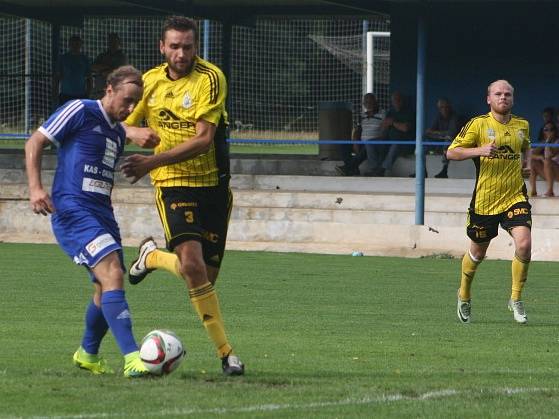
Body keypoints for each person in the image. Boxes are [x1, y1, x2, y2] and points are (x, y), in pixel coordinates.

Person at [121, 16, 244, 376]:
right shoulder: (149, 82)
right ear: (162, 47)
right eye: (174, 46)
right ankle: (227, 355)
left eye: (187, 47)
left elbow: (205, 138)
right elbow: (120, 117)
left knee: (203, 276)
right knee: (192, 267)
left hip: (213, 186)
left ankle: (152, 256)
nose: (181, 53)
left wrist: (150, 159)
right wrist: (134, 132)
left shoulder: (210, 78)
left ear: (195, 48)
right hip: (172, 182)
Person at [25, 65, 151, 377]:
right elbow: (35, 142)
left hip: (101, 214)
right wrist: (36, 188)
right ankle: (134, 358)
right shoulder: (79, 109)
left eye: (137, 103)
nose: (132, 108)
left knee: (104, 284)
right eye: (127, 100)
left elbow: (121, 139)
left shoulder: (117, 132)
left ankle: (88, 353)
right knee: (113, 275)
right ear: (109, 89)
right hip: (73, 210)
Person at [447, 79, 532, 325]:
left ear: (512, 98)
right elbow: (451, 152)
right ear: (489, 99)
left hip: (515, 196)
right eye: (498, 94)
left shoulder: (522, 126)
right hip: (485, 201)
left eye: (507, 94)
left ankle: (515, 298)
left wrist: (525, 166)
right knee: (477, 252)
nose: (503, 97)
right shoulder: (478, 124)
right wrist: (479, 151)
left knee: (524, 244)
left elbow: (525, 148)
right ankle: (464, 293)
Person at [336, 93, 386, 176]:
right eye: (366, 102)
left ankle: (348, 168)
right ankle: (353, 169)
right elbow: (357, 130)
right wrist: (355, 141)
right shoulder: (362, 115)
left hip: (375, 144)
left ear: (376, 102)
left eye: (370, 101)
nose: (368, 104)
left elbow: (385, 131)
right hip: (362, 143)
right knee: (343, 144)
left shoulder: (383, 114)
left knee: (368, 144)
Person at [424, 98, 463, 178]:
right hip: (441, 141)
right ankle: (422, 170)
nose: (444, 109)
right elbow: (430, 131)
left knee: (448, 139)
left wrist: (437, 133)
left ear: (449, 107)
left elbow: (452, 133)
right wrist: (438, 133)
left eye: (446, 107)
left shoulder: (454, 117)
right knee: (423, 138)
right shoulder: (439, 117)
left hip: (456, 143)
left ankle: (444, 170)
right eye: (441, 107)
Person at [381, 91, 414, 176]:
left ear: (402, 101)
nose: (396, 102)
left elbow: (405, 128)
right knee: (371, 143)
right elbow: (384, 127)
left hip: (405, 144)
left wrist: (393, 123)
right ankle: (353, 166)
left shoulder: (409, 112)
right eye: (394, 100)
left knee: (396, 144)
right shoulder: (390, 112)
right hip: (389, 142)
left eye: (398, 100)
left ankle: (382, 170)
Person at [54, 35, 92, 106]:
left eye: (77, 44)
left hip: (81, 95)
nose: (75, 46)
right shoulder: (63, 58)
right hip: (65, 95)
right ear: (69, 45)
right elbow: (57, 78)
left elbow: (89, 78)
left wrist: (88, 94)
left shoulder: (85, 59)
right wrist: (55, 94)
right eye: (73, 44)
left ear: (81, 45)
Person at [91, 33, 128, 99]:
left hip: (115, 89)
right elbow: (93, 67)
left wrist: (105, 71)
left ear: (118, 42)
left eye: (114, 41)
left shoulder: (122, 57)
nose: (112, 43)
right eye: (110, 41)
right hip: (100, 89)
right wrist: (106, 68)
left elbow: (120, 71)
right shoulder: (102, 55)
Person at [529, 121, 557, 197]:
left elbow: (551, 154)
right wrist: (540, 157)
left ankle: (550, 191)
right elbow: (530, 154)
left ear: (555, 131)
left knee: (548, 161)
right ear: (543, 131)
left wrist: (548, 141)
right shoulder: (544, 142)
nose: (549, 131)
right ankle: (533, 191)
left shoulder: (557, 141)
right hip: (549, 173)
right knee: (533, 163)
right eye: (546, 129)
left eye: (552, 129)